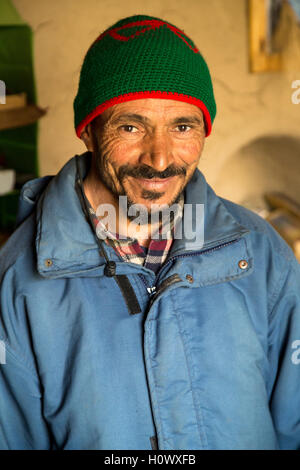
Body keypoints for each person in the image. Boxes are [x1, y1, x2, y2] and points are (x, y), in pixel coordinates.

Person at [0, 14, 300, 451]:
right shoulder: (18, 282)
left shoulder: (259, 253)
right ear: (89, 130)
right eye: (131, 127)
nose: (160, 159)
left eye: (182, 127)